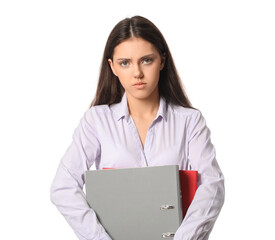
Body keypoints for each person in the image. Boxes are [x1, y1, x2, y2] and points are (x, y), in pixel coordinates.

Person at [50, 15, 225, 240]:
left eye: (146, 60)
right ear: (112, 67)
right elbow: (63, 186)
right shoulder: (96, 120)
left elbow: (213, 186)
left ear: (162, 61)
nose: (137, 73)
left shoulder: (189, 121)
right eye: (125, 63)